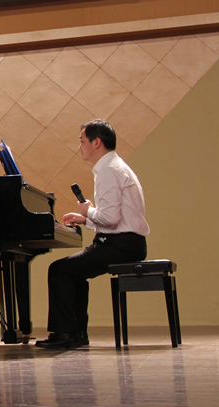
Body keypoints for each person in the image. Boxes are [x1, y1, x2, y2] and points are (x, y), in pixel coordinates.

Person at [36, 119, 150, 349]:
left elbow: (110, 219)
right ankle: (77, 334)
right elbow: (114, 218)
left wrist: (87, 210)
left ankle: (67, 334)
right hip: (127, 242)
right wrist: (85, 219)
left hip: (120, 245)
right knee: (72, 272)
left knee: (60, 270)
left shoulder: (109, 170)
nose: (80, 146)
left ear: (96, 142)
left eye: (82, 141)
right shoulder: (114, 166)